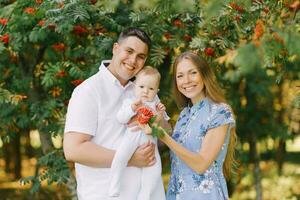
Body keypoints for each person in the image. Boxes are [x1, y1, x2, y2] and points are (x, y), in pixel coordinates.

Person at [63, 28, 166, 200]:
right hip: (104, 195)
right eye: (129, 51)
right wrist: (130, 159)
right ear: (115, 48)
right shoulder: (88, 90)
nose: (133, 60)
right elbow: (74, 150)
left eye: (140, 56)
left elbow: (166, 131)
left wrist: (152, 120)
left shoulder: (143, 89)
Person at [156, 51, 237, 200]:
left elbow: (201, 164)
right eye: (180, 76)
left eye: (192, 73)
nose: (186, 80)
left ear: (204, 74)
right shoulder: (184, 114)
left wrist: (164, 137)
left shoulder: (220, 111)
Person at [109, 66, 170, 200]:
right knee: (120, 157)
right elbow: (121, 118)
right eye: (141, 87)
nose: (145, 91)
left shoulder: (156, 105)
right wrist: (132, 109)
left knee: (154, 168)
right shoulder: (130, 102)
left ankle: (145, 194)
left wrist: (160, 114)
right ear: (135, 86)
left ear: (156, 91)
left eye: (151, 89)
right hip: (131, 138)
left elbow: (164, 126)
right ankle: (114, 183)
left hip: (149, 142)